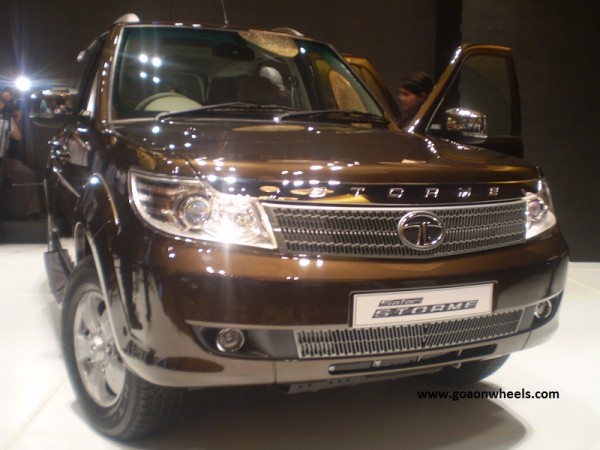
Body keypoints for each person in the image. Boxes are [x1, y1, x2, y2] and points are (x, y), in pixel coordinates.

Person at [0, 88, 41, 216]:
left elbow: (17, 136)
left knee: (28, 174)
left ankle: (32, 211)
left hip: (4, 159)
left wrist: (13, 119)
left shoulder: (7, 119)